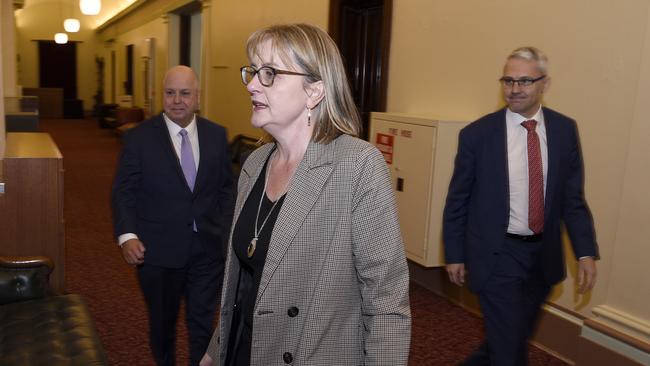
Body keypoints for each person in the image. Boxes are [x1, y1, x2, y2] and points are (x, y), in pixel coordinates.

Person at [199, 23, 411, 366]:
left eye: (269, 73)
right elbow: (244, 281)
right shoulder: (255, 162)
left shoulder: (357, 165)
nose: (252, 84)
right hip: (244, 349)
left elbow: (386, 299)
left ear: (314, 92)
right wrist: (216, 349)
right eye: (253, 71)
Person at [443, 47, 599, 366]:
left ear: (545, 84)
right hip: (498, 254)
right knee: (509, 352)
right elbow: (457, 199)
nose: (515, 89)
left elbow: (572, 198)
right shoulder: (477, 135)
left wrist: (585, 252)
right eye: (508, 80)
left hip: (543, 256)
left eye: (525, 81)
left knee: (510, 338)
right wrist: (455, 253)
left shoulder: (564, 131)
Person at [112, 65, 235, 366]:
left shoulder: (217, 135)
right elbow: (123, 192)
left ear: (197, 97)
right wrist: (128, 235)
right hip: (157, 252)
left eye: (184, 93)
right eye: (170, 93)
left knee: (202, 324)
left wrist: (226, 231)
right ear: (161, 96)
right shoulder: (139, 138)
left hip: (207, 251)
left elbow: (226, 190)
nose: (177, 100)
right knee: (163, 326)